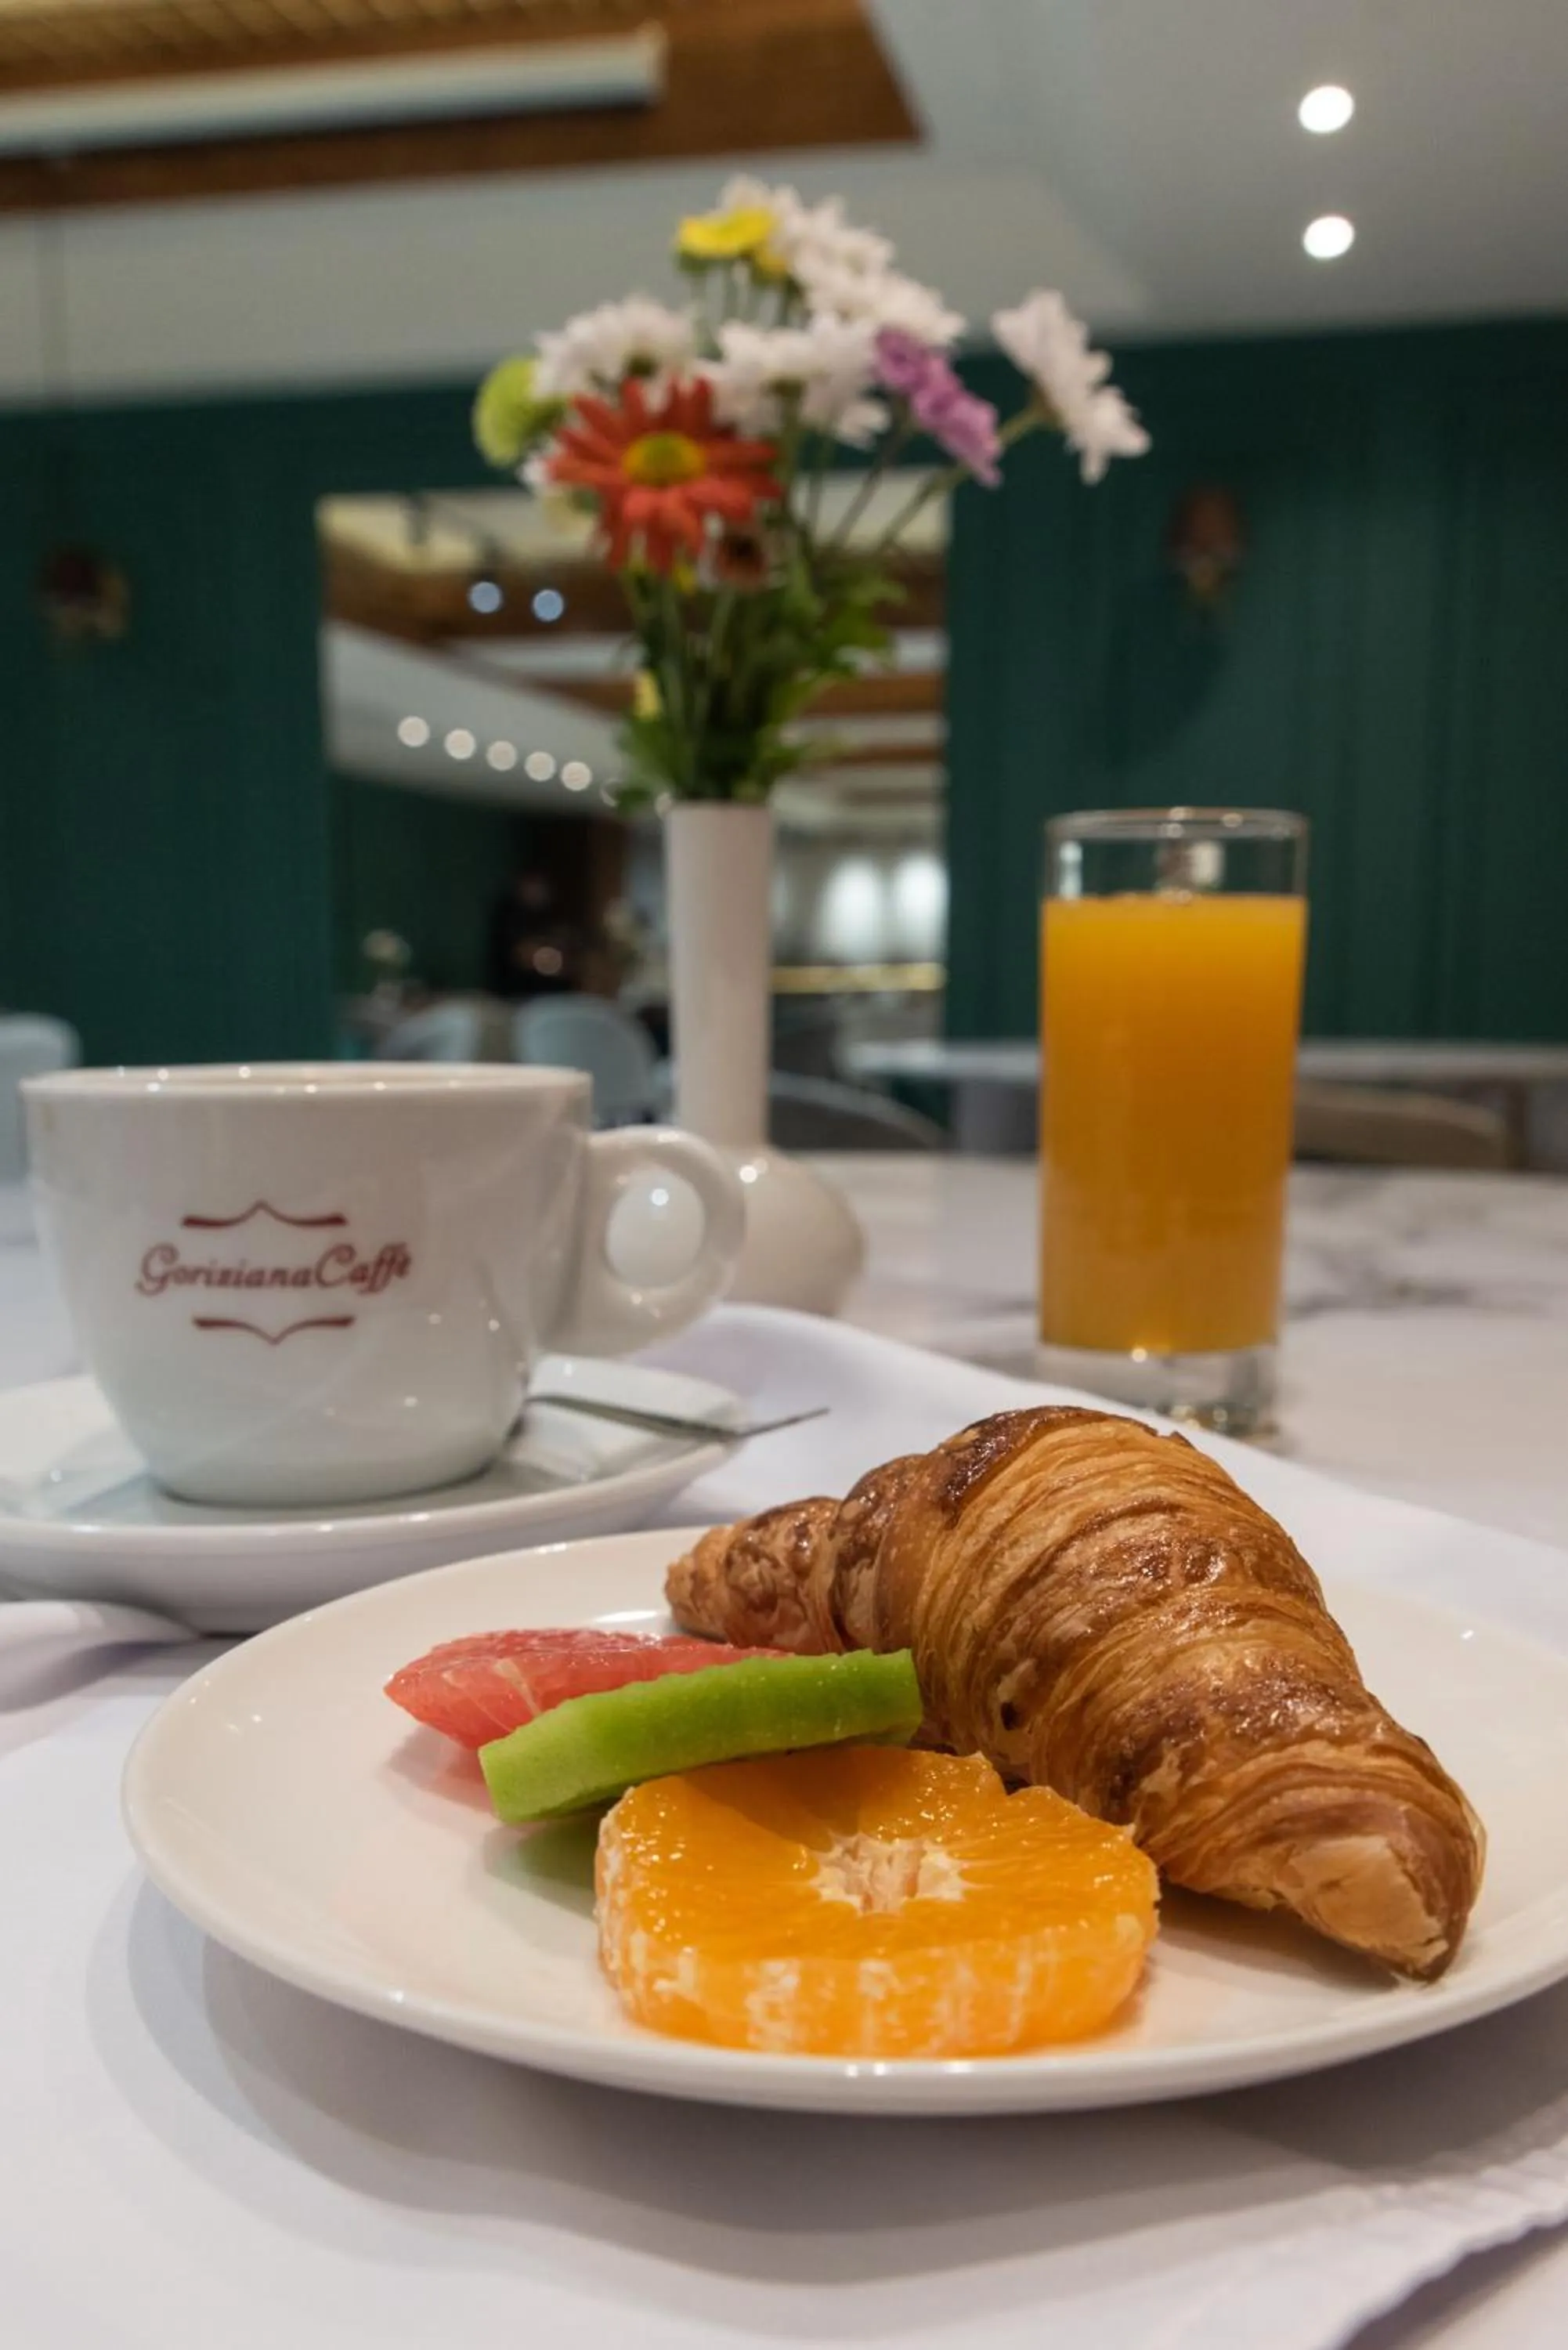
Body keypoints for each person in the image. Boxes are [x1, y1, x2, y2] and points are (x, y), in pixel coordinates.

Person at [486, 867, 584, 1001]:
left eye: (542, 887)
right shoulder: (509, 916)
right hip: (516, 995)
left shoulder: (551, 914)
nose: (539, 892)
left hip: (554, 996)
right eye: (534, 886)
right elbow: (524, 956)